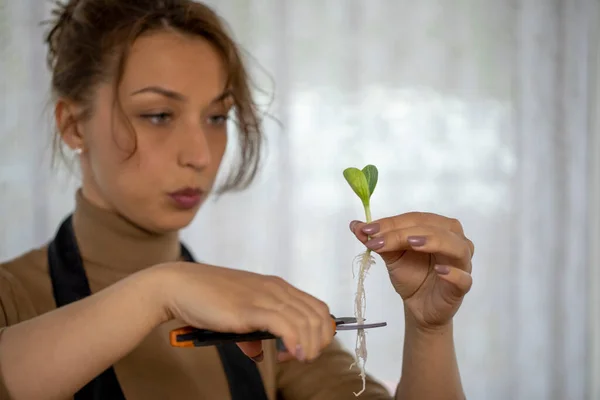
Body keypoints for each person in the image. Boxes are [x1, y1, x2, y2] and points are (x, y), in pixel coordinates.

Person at [0, 1, 475, 399]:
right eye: (159, 115)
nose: (201, 155)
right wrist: (158, 290)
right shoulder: (12, 297)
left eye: (217, 117)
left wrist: (429, 331)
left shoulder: (255, 315)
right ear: (73, 125)